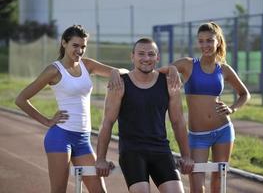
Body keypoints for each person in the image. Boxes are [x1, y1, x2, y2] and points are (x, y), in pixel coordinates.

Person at [15, 25, 127, 193]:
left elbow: (123, 71)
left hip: (83, 139)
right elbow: (21, 99)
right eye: (75, 45)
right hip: (60, 137)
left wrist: (116, 73)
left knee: (99, 191)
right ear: (64, 43)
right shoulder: (54, 70)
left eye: (83, 46)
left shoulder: (87, 65)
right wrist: (47, 121)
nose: (80, 50)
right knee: (59, 190)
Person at [95, 37, 194, 193]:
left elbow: (178, 122)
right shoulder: (120, 84)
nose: (146, 58)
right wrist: (100, 159)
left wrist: (186, 156)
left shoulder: (169, 83)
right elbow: (107, 122)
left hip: (161, 150)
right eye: (141, 54)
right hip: (132, 152)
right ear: (132, 56)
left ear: (157, 57)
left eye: (151, 54)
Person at [162, 22, 251, 193]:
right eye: (201, 41)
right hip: (197, 136)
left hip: (223, 130)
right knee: (196, 187)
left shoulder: (224, 69)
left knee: (218, 181)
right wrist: (172, 69)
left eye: (209, 41)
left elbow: (244, 94)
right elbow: (159, 71)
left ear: (218, 41)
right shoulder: (188, 64)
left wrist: (232, 109)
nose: (205, 45)